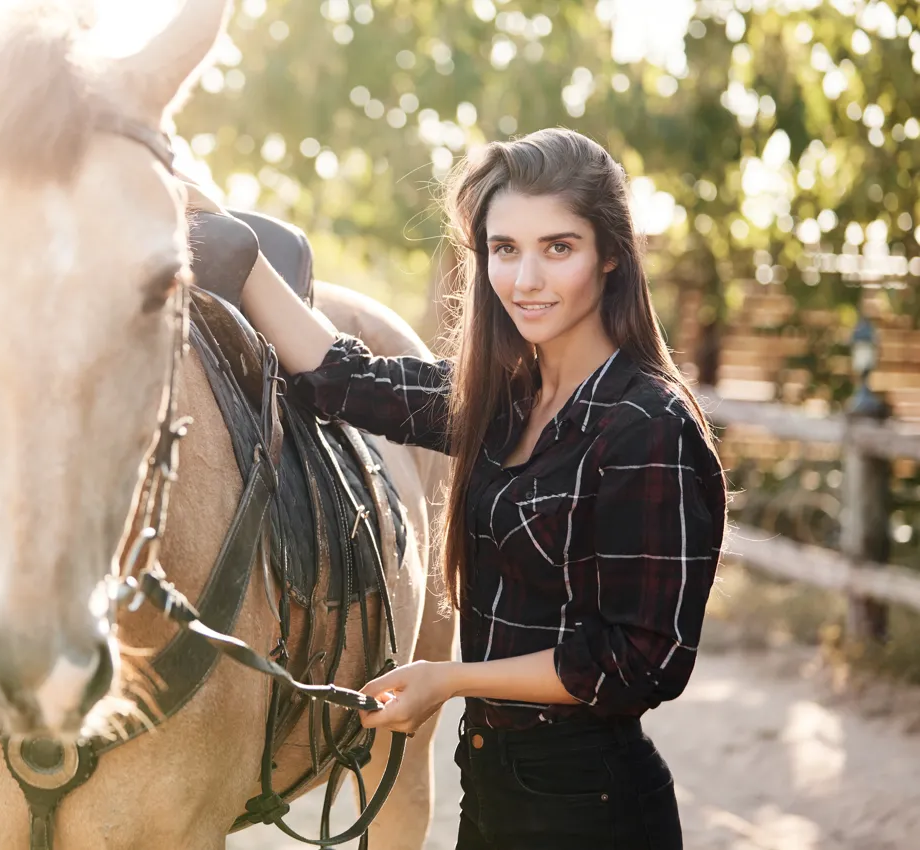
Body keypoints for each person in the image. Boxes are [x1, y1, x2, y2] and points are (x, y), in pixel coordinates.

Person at [185, 127, 727, 849]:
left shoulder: (648, 425)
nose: (525, 280)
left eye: (557, 248)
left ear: (611, 255)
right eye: (504, 249)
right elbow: (347, 379)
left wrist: (450, 679)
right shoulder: (505, 403)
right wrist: (232, 241)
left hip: (592, 807)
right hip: (493, 787)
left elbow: (638, 661)